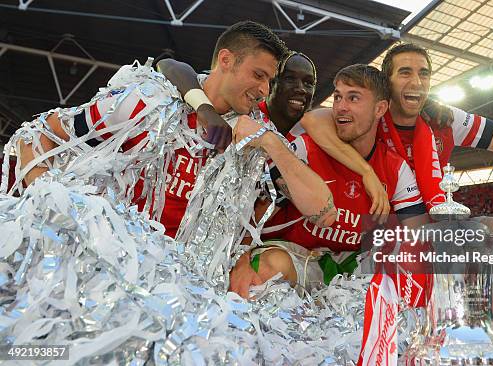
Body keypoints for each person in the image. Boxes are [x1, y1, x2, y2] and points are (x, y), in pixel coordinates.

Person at [15, 21, 333, 238]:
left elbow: (323, 212)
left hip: (181, 293)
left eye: (269, 81)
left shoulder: (254, 134)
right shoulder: (148, 104)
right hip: (112, 262)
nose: (265, 90)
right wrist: (54, 210)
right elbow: (36, 135)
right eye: (258, 75)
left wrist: (270, 143)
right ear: (226, 60)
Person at [229, 65, 429, 298]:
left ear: (380, 108)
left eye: (353, 98)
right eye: (337, 97)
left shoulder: (395, 167)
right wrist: (243, 258)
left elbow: (418, 235)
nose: (341, 107)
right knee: (265, 271)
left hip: (354, 263)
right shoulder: (305, 149)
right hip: (299, 256)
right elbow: (258, 211)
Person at [299, 43, 493, 239]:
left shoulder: (445, 119)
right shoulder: (370, 115)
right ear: (387, 82)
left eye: (424, 73)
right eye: (405, 73)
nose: (417, 82)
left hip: (439, 223)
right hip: (385, 228)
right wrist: (366, 172)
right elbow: (314, 121)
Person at [158, 52, 390, 222]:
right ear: (271, 84)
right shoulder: (242, 111)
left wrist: (366, 172)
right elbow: (169, 64)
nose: (301, 88)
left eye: (309, 84)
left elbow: (313, 120)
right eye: (290, 79)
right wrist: (205, 109)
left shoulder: (301, 131)